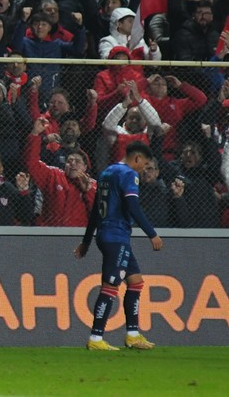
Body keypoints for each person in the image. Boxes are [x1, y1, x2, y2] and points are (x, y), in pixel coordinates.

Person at [74, 141, 163, 351]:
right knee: (110, 287)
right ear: (138, 159)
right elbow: (133, 206)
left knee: (136, 282)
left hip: (107, 234)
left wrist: (86, 241)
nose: (144, 170)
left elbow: (96, 210)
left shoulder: (107, 172)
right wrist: (152, 233)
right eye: (145, 165)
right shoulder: (128, 174)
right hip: (116, 236)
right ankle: (96, 338)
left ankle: (132, 334)